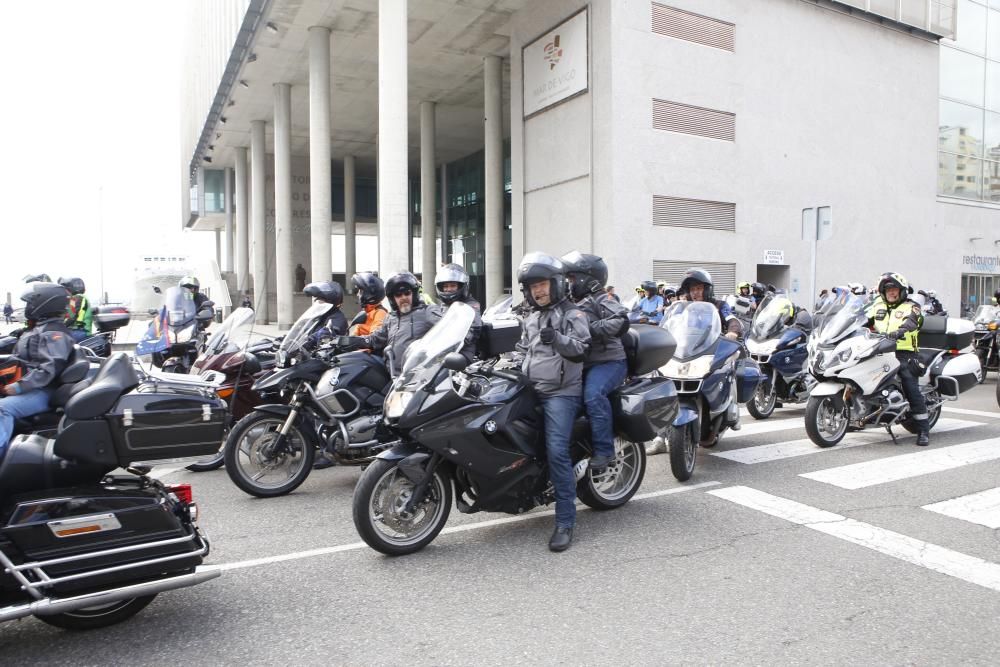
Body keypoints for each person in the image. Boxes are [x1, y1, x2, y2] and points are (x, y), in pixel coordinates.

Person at [513, 252, 590, 552]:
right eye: (533, 286)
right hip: (532, 388)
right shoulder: (531, 317)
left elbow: (582, 349)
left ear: (556, 284)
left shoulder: (574, 314)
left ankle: (565, 521)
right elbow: (522, 349)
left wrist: (557, 338)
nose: (538, 291)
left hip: (562, 393)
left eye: (542, 284)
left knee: (556, 451)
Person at [561, 251, 629, 472]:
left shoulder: (603, 299)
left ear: (587, 279)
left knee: (593, 395)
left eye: (571, 279)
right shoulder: (571, 303)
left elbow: (620, 321)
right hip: (582, 364)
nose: (568, 284)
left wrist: (589, 329)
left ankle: (604, 450)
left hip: (609, 362)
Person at [339, 272, 470, 374]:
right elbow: (375, 339)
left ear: (413, 294)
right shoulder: (391, 318)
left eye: (407, 293)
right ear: (393, 299)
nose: (403, 298)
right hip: (392, 376)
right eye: (398, 295)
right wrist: (348, 341)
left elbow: (454, 330)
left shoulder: (427, 312)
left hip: (417, 378)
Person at [0, 283, 75, 459]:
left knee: (3, 409)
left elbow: (49, 369)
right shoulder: (40, 328)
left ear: (44, 303)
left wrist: (19, 387)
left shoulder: (54, 333)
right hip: (33, 387)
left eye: (30, 303)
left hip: (43, 390)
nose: (27, 307)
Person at [866, 272, 930, 446]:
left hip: (904, 353)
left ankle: (923, 429)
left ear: (901, 291)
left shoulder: (912, 307)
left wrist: (900, 331)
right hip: (879, 350)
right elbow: (861, 320)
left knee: (910, 385)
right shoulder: (877, 306)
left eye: (894, 289)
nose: (891, 293)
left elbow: (913, 322)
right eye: (888, 290)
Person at [677, 268, 742, 339]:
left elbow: (731, 320)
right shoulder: (686, 308)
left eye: (699, 288)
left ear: (708, 290)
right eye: (692, 289)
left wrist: (733, 332)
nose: (695, 292)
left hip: (714, 345)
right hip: (688, 345)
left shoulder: (719, 305)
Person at [434, 263, 482, 355]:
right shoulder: (444, 306)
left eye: (452, 285)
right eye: (445, 286)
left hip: (463, 352)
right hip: (443, 351)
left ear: (461, 286)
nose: (448, 289)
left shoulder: (471, 305)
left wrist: (450, 345)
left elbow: (473, 330)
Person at [303, 281, 348, 348]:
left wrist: (309, 340)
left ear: (329, 301)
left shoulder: (337, 319)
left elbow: (327, 337)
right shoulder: (320, 317)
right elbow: (304, 333)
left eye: (320, 299)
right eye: (316, 299)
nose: (316, 302)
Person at [348, 272, 388, 336]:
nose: (358, 294)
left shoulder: (380, 313)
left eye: (360, 291)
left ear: (368, 294)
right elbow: (354, 335)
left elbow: (375, 339)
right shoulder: (366, 312)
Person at [58, 277, 93, 343]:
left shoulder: (76, 298)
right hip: (79, 330)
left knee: (57, 340)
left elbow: (71, 317)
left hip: (80, 331)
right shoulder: (80, 297)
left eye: (66, 289)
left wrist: (59, 326)